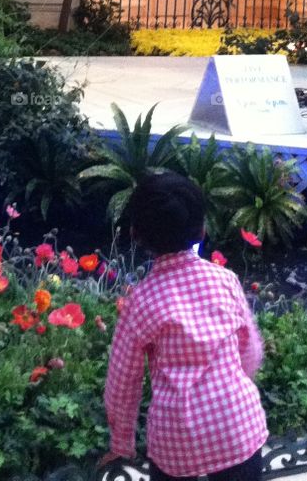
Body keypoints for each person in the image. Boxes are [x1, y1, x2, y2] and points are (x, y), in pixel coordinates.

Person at [102, 172, 267, 481]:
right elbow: (251, 349)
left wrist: (121, 442)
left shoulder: (142, 301)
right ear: (202, 231)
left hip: (178, 440)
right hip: (239, 427)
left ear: (136, 234)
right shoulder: (225, 280)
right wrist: (231, 389)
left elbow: (123, 383)